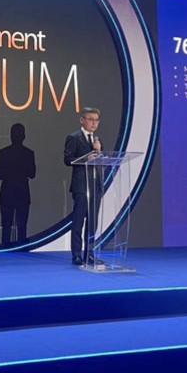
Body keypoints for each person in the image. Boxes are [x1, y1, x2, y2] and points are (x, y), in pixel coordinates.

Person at [64, 107, 103, 265]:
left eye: (96, 120)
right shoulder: (74, 138)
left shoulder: (97, 141)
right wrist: (87, 158)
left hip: (95, 185)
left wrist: (99, 152)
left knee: (92, 223)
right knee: (78, 221)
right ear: (82, 120)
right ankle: (76, 255)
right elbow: (67, 160)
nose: (94, 123)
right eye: (90, 119)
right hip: (81, 186)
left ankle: (90, 254)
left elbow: (101, 160)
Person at [0, 123, 36, 246]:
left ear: (11, 136)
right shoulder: (28, 153)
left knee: (6, 227)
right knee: (22, 227)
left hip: (7, 193)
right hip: (22, 193)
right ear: (24, 136)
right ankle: (22, 251)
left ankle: (5, 250)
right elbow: (32, 174)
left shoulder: (4, 152)